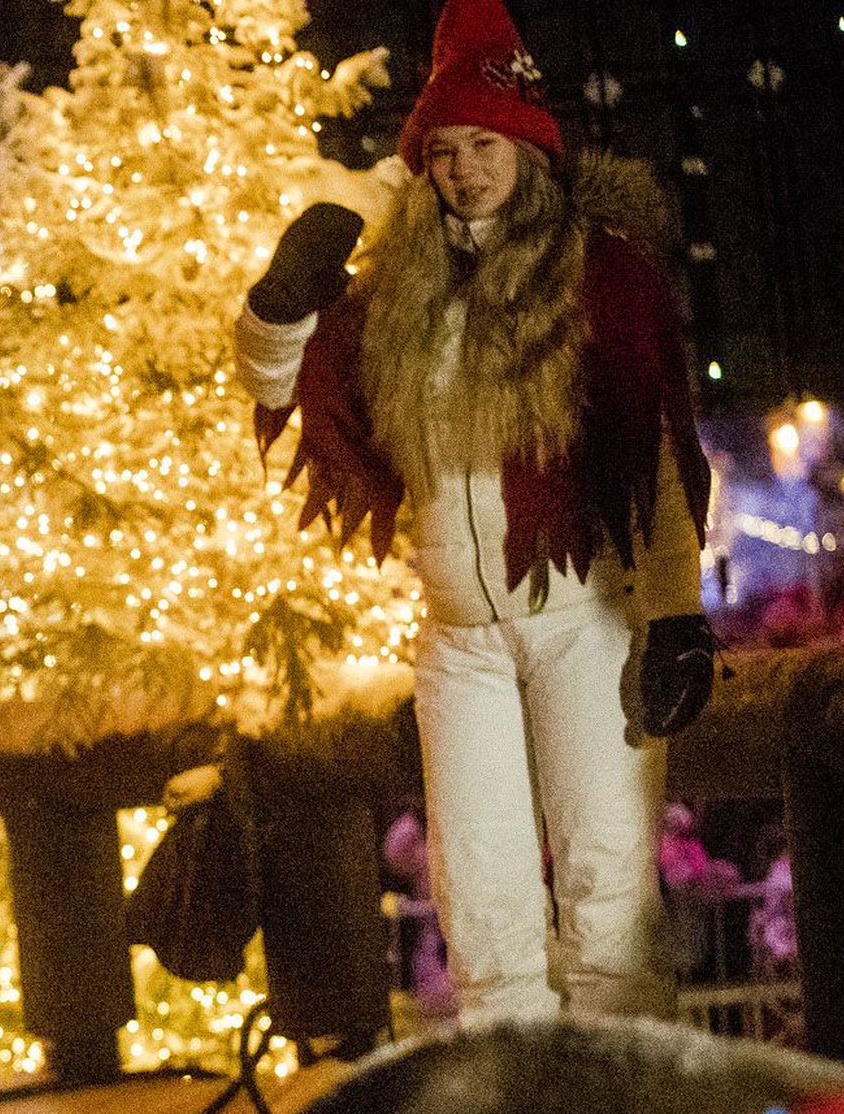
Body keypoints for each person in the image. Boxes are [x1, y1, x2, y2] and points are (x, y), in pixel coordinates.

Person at [235, 0, 714, 1024]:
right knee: (482, 914)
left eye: (480, 143)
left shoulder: (602, 274)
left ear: (526, 146)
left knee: (608, 899)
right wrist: (276, 312)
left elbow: (657, 450)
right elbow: (291, 394)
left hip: (584, 616)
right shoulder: (397, 292)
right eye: (441, 149)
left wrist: (675, 612)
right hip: (456, 637)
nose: (460, 168)